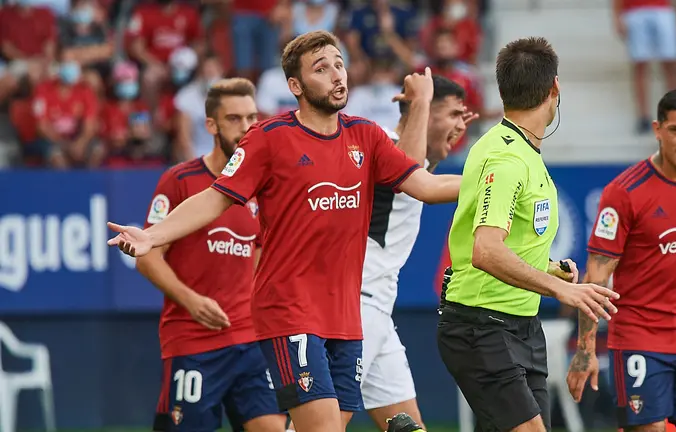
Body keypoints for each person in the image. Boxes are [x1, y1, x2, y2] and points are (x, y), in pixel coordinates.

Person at [106, 30, 462, 432]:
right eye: (321, 68)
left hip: (346, 318)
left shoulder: (365, 134)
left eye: (339, 64)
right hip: (290, 311)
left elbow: (427, 187)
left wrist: (490, 179)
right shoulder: (270, 138)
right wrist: (153, 236)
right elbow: (214, 198)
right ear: (296, 85)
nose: (336, 75)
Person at [435, 36, 620, 432]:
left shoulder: (520, 150)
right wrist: (562, 291)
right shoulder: (505, 157)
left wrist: (550, 269)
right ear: (555, 87)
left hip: (521, 325)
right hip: (480, 325)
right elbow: (485, 250)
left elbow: (505, 244)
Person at [566, 89, 676, 431]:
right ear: (658, 130)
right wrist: (585, 349)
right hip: (641, 343)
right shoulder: (625, 193)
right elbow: (596, 277)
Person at [135, 78, 286, 432]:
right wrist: (192, 301)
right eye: (234, 119)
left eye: (252, 118)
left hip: (250, 341)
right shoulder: (180, 181)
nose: (246, 128)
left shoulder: (263, 187)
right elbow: (147, 257)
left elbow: (259, 254)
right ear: (211, 125)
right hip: (193, 341)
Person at [361, 75, 478, 431]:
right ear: (422, 111)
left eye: (464, 116)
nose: (461, 124)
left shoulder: (412, 157)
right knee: (320, 424)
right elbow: (407, 179)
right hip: (355, 308)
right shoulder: (384, 145)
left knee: (409, 426)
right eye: (454, 114)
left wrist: (443, 129)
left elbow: (417, 169)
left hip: (376, 308)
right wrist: (422, 102)